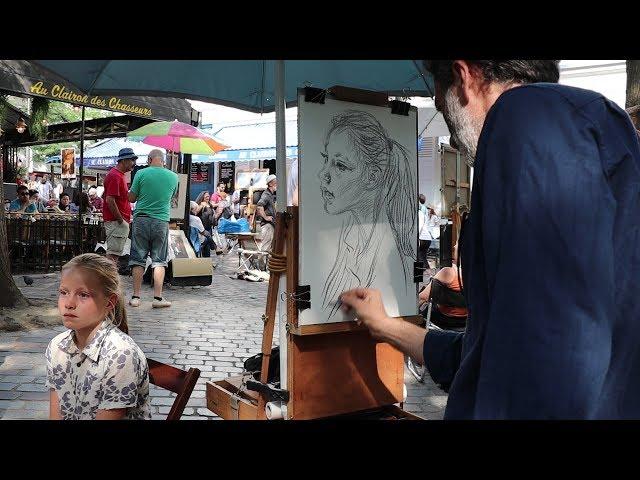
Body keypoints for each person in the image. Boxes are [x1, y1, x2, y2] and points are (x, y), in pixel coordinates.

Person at [340, 60, 640, 419]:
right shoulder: (600, 118)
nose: (452, 136)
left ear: (464, 77)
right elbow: (489, 353)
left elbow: (552, 353)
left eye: (441, 107)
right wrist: (385, 326)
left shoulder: (523, 118)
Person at [318, 110, 416, 319]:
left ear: (372, 177)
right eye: (326, 159)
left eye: (340, 165)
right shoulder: (350, 241)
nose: (323, 174)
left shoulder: (394, 258)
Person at [45, 253, 151, 420]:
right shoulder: (57, 346)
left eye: (83, 294)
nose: (69, 303)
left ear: (109, 302)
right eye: (64, 292)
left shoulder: (121, 355)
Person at [127, 148, 178, 308]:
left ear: (149, 160)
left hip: (141, 220)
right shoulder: (173, 177)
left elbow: (132, 197)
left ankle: (136, 297)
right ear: (163, 161)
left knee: (138, 259)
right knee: (159, 261)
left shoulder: (141, 174)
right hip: (161, 221)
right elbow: (172, 197)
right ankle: (157, 298)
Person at [103, 148, 137, 265]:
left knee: (114, 255)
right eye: (132, 160)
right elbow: (110, 200)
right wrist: (120, 220)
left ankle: (109, 280)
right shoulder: (115, 176)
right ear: (124, 160)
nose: (134, 163)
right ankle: (108, 281)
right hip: (116, 222)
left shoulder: (118, 175)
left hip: (118, 221)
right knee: (113, 255)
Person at [256, 174, 277, 255]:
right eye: (275, 182)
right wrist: (265, 217)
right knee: (265, 249)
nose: (277, 184)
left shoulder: (270, 194)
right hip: (267, 225)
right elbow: (259, 205)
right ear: (270, 184)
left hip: (270, 225)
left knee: (268, 248)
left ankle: (264, 266)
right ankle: (262, 267)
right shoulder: (266, 194)